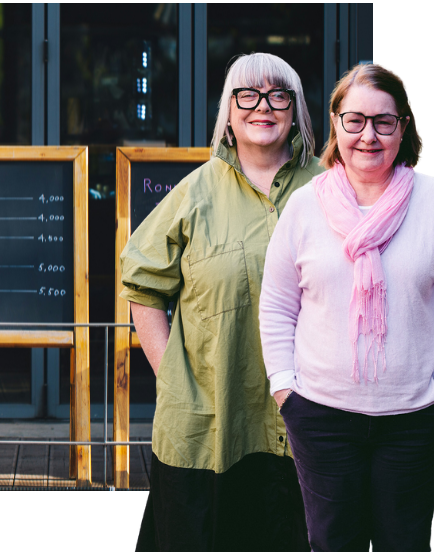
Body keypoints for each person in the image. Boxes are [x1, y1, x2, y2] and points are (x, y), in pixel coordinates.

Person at [121, 52, 322, 552]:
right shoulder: (195, 192)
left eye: (279, 95)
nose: (263, 107)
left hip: (306, 424)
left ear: (295, 109)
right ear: (228, 113)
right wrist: (171, 374)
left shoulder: (328, 189)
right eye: (247, 95)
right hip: (209, 426)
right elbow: (142, 287)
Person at [260, 63, 433, 551]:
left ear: (403, 127)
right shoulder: (304, 207)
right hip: (322, 417)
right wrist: (285, 393)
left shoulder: (430, 204)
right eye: (355, 120)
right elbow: (277, 307)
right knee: (335, 545)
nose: (368, 136)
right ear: (336, 123)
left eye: (384, 121)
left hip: (414, 420)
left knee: (406, 544)